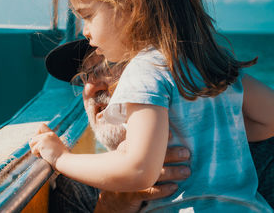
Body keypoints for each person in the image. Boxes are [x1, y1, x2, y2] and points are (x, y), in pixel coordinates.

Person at [30, 0, 274, 211]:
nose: (86, 31)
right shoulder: (210, 65)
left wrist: (61, 158)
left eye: (87, 15)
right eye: (86, 75)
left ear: (129, 5)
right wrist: (204, 131)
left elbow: (139, 169)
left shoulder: (143, 70)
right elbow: (268, 118)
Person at [45, 38, 274, 212]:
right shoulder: (77, 182)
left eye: (115, 66)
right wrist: (112, 206)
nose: (92, 86)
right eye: (85, 76)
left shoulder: (240, 155)